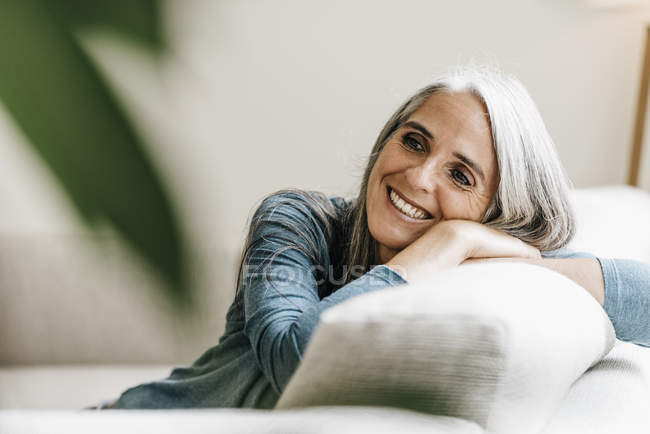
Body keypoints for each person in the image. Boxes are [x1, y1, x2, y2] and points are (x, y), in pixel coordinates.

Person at [107, 65, 650, 410]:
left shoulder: (489, 268)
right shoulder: (298, 220)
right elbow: (297, 359)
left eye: (460, 175)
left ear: (497, 213)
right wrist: (440, 247)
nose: (418, 177)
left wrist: (507, 260)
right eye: (414, 142)